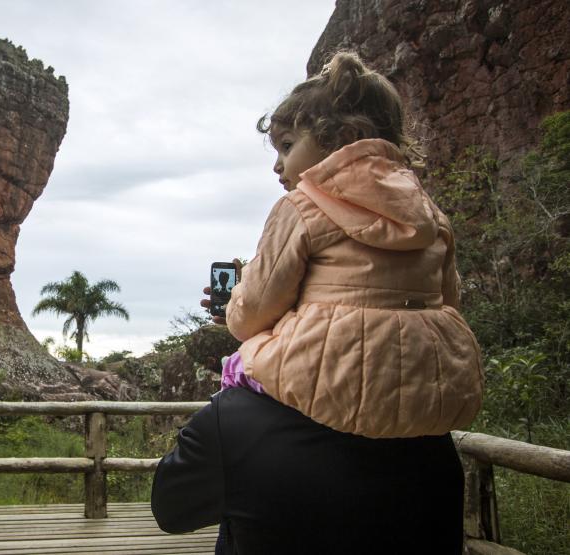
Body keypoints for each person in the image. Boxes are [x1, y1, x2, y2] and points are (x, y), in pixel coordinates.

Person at [152, 51, 483, 554]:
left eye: (286, 145)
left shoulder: (300, 206)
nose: (277, 163)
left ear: (336, 138)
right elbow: (446, 301)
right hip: (419, 380)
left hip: (321, 368)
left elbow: (253, 312)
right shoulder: (430, 214)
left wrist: (238, 304)